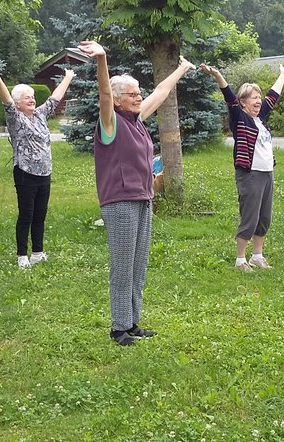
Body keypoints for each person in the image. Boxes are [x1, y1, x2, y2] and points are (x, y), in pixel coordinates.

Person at [76, 40, 195, 346]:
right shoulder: (110, 123)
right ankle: (118, 328)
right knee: (123, 264)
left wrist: (181, 68)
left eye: (138, 93)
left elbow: (160, 93)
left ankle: (133, 322)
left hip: (143, 199)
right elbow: (103, 92)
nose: (139, 97)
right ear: (117, 100)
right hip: (120, 202)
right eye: (132, 94)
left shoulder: (137, 120)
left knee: (138, 264)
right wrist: (102, 59)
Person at [199, 60, 284, 271]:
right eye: (253, 97)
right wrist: (217, 75)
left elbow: (273, 96)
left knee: (264, 217)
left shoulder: (260, 118)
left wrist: (283, 74)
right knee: (250, 217)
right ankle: (240, 260)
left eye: (258, 97)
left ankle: (257, 256)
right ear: (243, 102)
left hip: (267, 173)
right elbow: (228, 96)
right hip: (249, 174)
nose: (258, 101)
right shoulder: (239, 117)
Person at [0, 66, 76, 266]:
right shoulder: (16, 119)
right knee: (27, 215)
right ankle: (22, 255)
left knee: (40, 214)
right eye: (27, 98)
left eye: (32, 97)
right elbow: (6, 100)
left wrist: (68, 77)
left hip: (45, 173)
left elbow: (54, 99)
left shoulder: (40, 115)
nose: (32, 100)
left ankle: (38, 252)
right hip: (25, 173)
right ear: (18, 104)